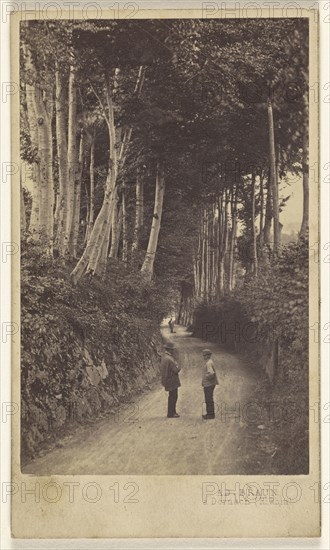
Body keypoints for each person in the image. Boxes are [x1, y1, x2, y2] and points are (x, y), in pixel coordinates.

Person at [161, 341, 181, 418]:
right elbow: (176, 370)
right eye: (172, 349)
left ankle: (171, 412)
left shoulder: (164, 357)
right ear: (170, 350)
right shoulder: (170, 359)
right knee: (174, 396)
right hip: (172, 380)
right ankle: (171, 413)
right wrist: (178, 366)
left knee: (171, 396)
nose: (173, 351)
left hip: (168, 379)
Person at [201, 349, 219, 420]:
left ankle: (210, 415)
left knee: (208, 399)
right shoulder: (210, 362)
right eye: (203, 355)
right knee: (209, 398)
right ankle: (210, 414)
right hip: (210, 384)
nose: (204, 357)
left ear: (208, 355)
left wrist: (206, 377)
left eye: (205, 355)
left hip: (209, 384)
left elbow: (211, 373)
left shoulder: (208, 363)